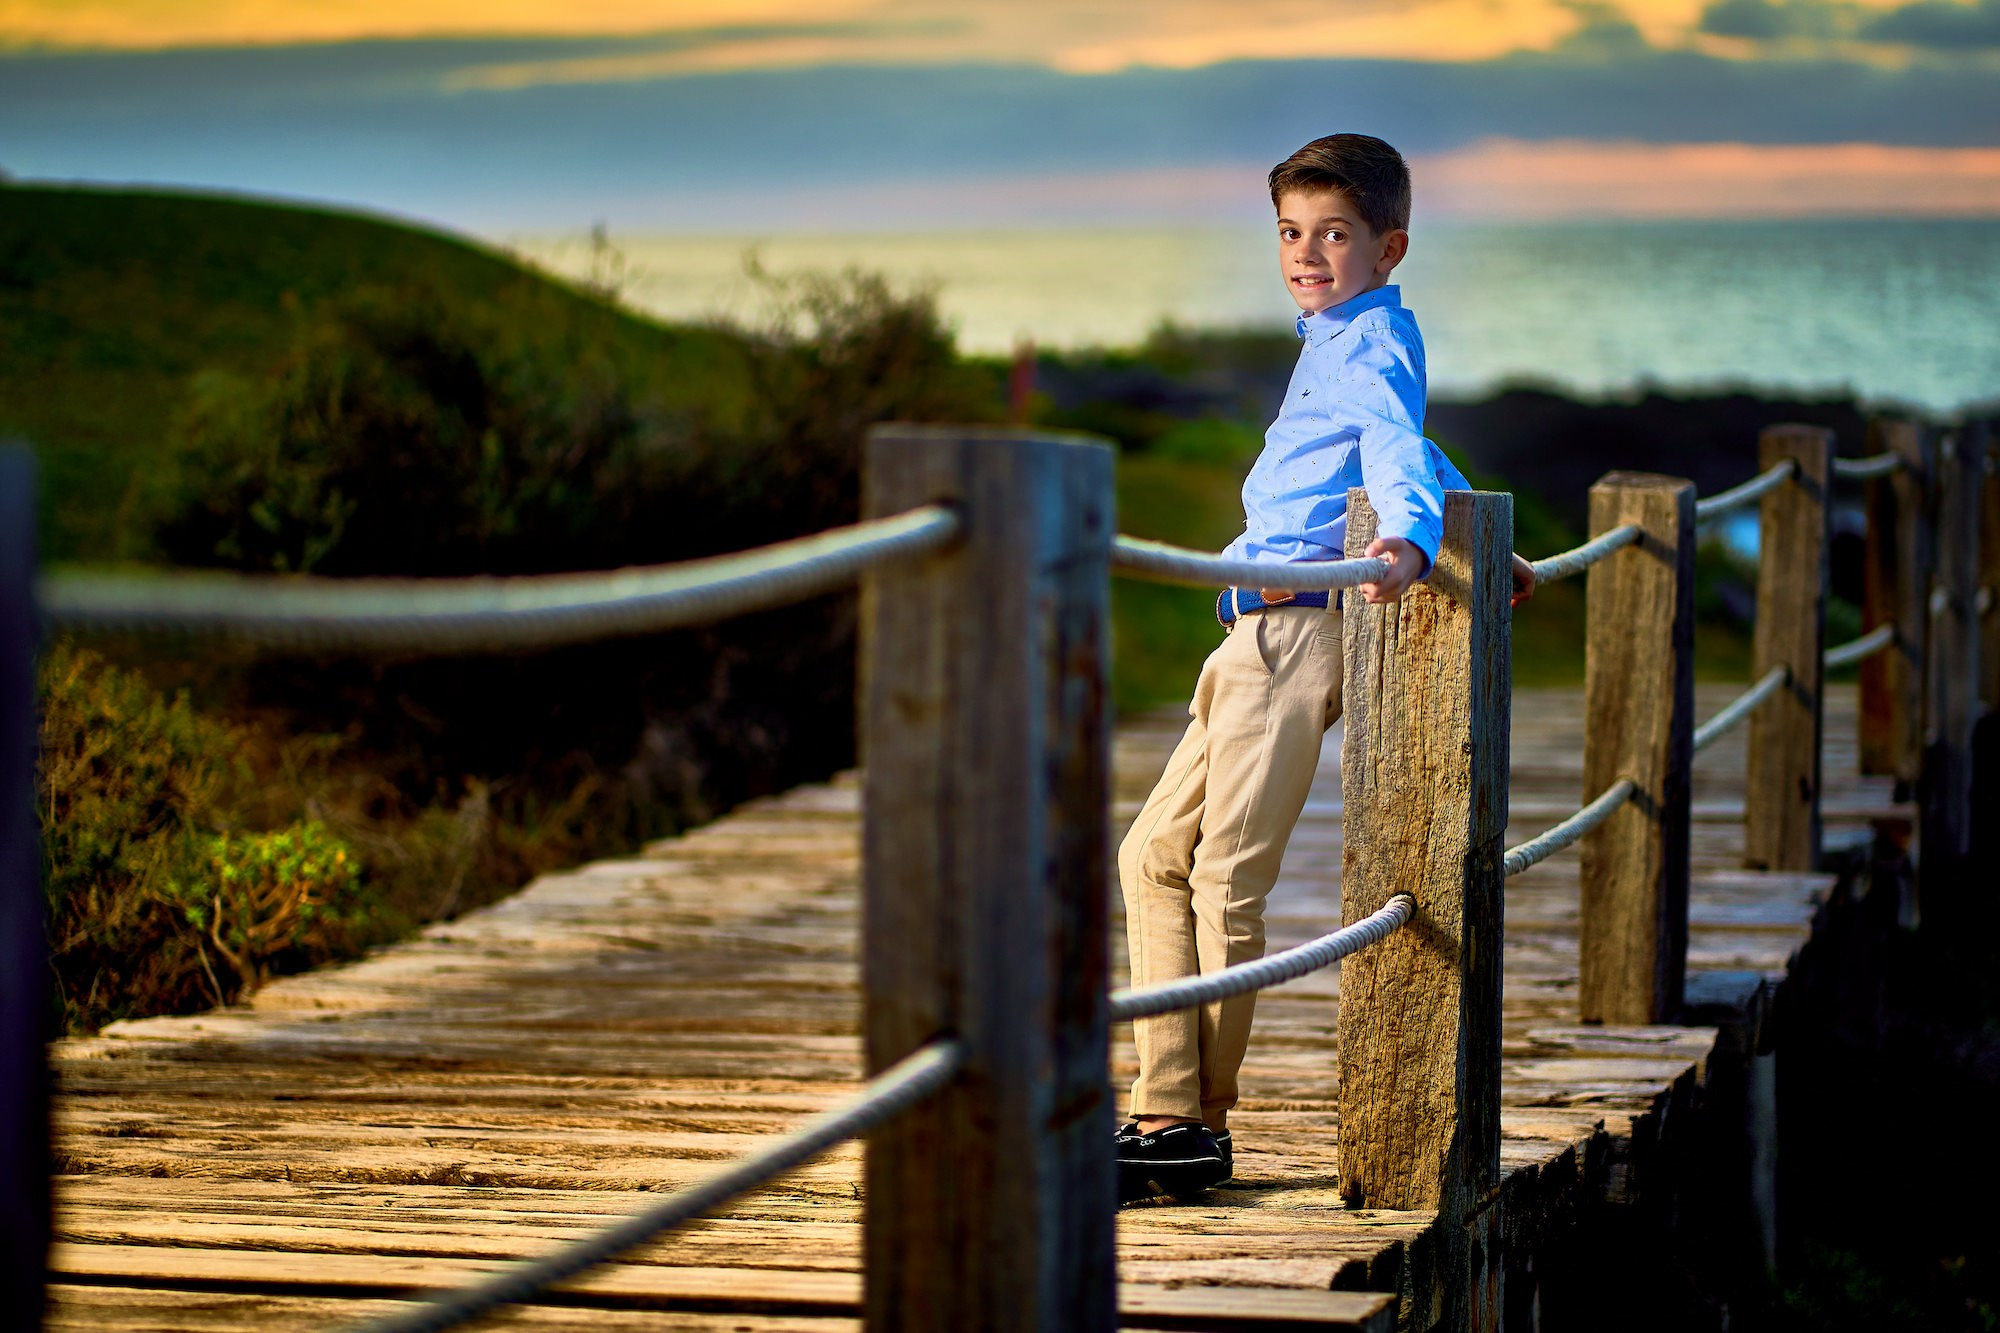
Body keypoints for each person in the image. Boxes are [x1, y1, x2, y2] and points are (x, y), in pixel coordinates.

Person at [1114, 133, 1536, 1204]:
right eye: (1291, 232)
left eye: (1333, 234)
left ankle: (1180, 1123)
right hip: (1247, 633)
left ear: (1387, 245)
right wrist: (1470, 529)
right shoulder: (1336, 337)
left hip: (1296, 629)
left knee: (1220, 876)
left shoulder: (1369, 343)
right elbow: (1404, 443)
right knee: (1149, 855)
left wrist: (1404, 536)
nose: (1306, 252)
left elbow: (1390, 442)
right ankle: (1172, 1108)